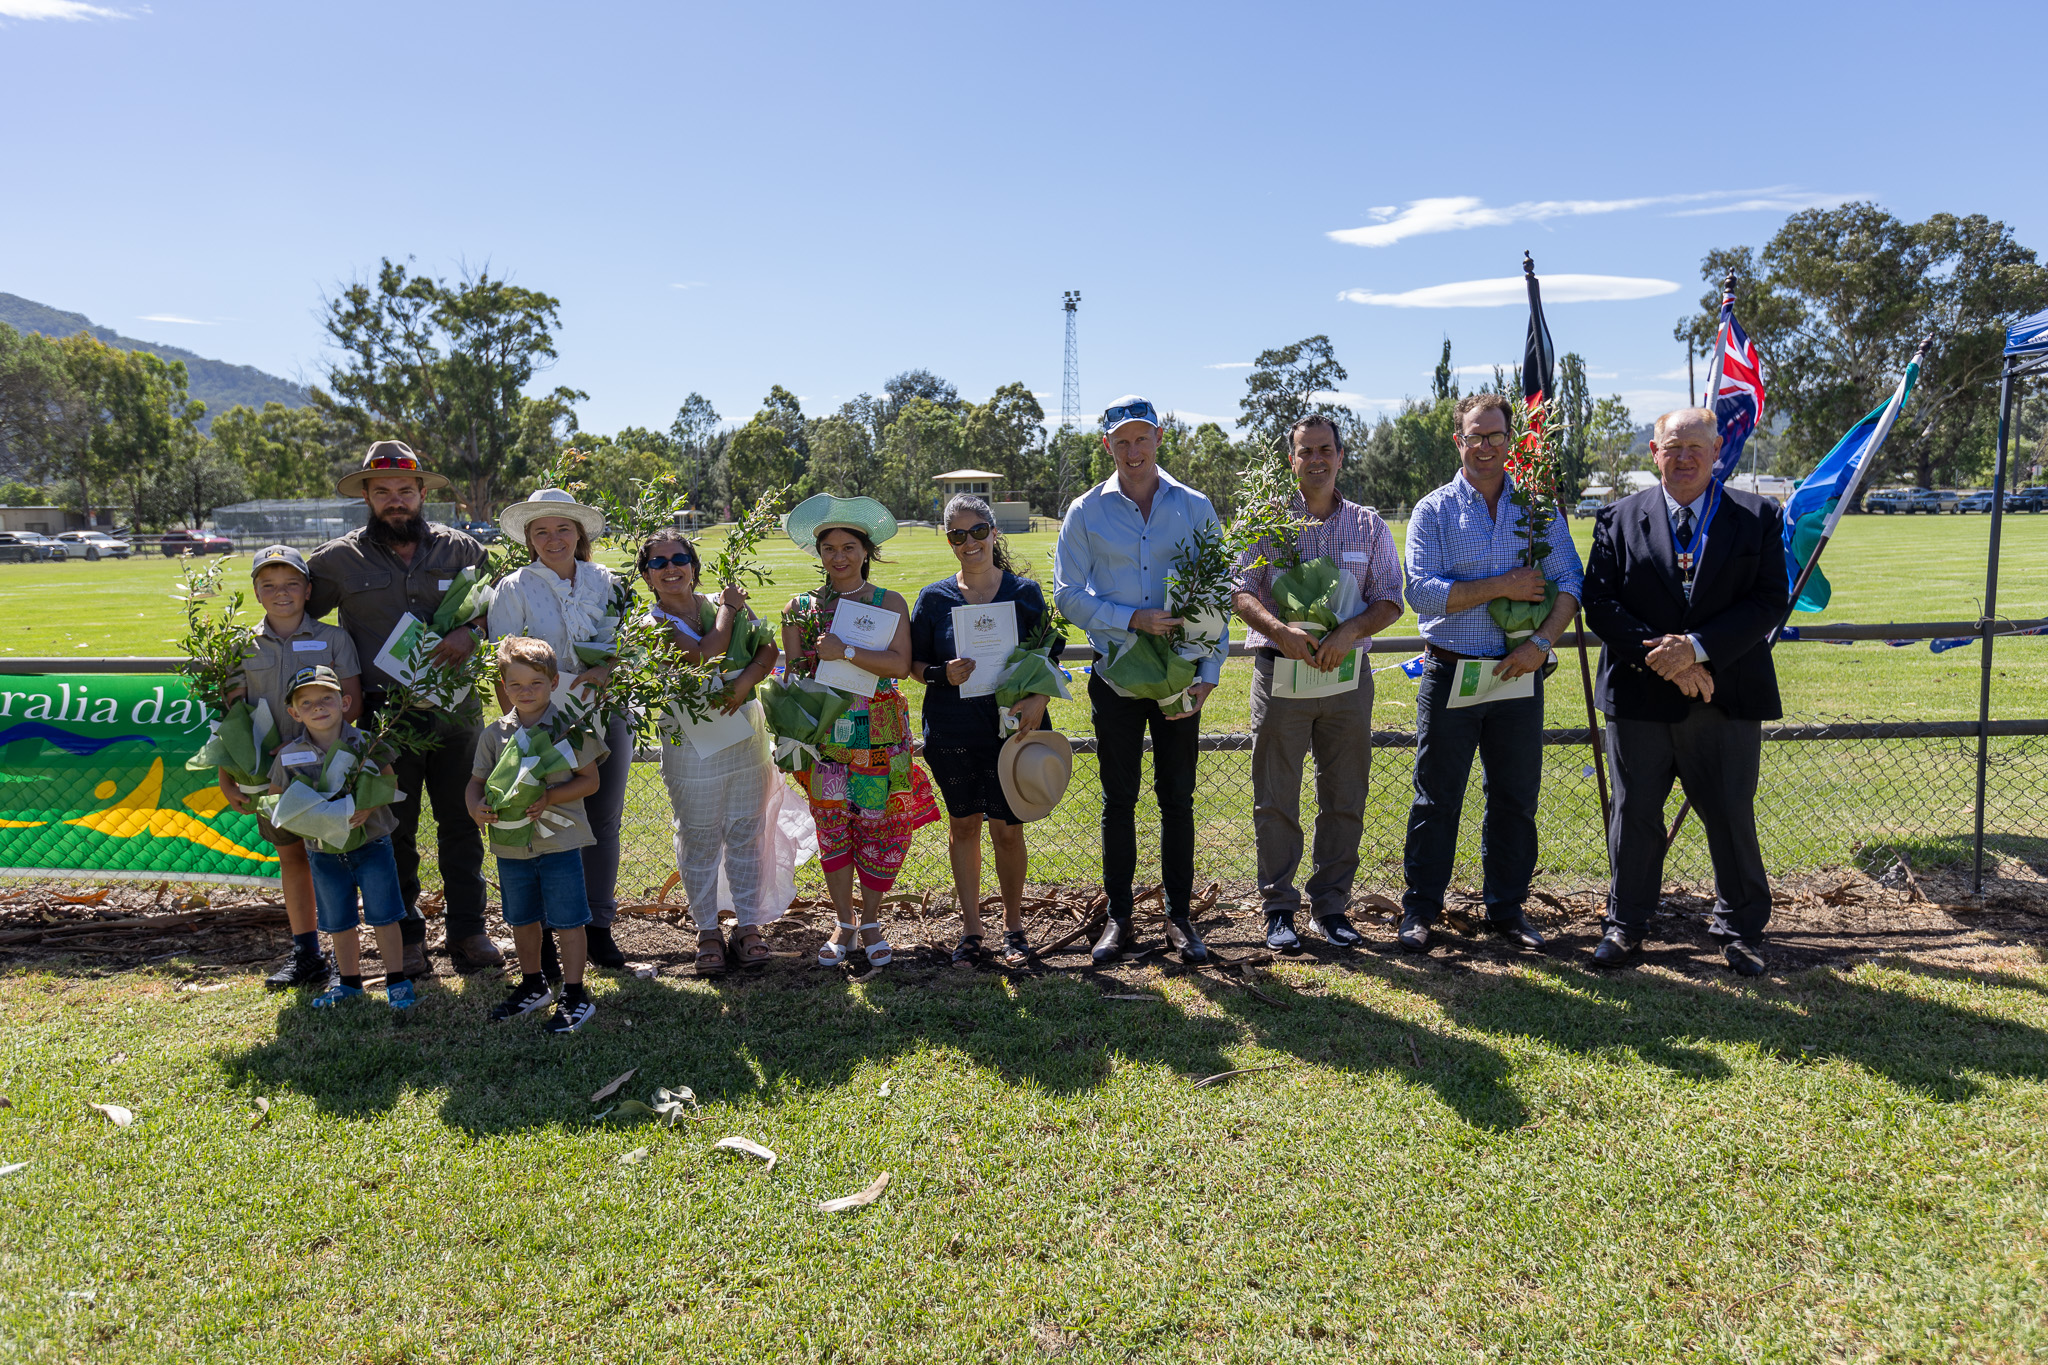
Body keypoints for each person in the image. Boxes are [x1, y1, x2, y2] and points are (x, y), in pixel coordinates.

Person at [1581, 407, 1789, 976]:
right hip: (1641, 698)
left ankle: (1742, 928)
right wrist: (1668, 659)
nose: (1685, 457)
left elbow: (1769, 600)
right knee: (1635, 813)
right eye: (1673, 447)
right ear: (1654, 453)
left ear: (1718, 449)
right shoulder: (1617, 519)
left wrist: (1697, 648)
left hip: (1723, 695)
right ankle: (1625, 925)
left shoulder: (1757, 517)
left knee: (1728, 812)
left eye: (1696, 446)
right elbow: (1599, 602)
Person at [1398, 393, 1584, 952]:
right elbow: (1421, 594)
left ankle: (1507, 909)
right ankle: (1421, 910)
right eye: (1475, 436)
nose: (1485, 446)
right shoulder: (1433, 510)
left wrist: (1542, 644)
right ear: (1459, 441)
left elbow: (1571, 580)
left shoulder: (1537, 510)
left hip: (1518, 675)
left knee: (1514, 797)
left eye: (1496, 436)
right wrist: (1502, 585)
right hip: (1451, 673)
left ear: (1511, 441)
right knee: (1437, 796)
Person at [307, 441, 501, 975]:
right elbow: (299, 617)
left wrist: (470, 631)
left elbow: (497, 611)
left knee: (463, 819)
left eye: (406, 491)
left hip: (456, 712)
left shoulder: (463, 550)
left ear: (422, 494)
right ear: (367, 496)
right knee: (393, 828)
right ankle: (407, 937)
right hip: (382, 718)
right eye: (384, 491)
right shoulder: (335, 561)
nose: (397, 501)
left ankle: (469, 932)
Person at [1052, 395, 1228, 966]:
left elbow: (1215, 592)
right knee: (1118, 800)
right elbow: (1067, 595)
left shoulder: (1195, 506)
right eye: (1121, 441)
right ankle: (1120, 918)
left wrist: (1208, 673)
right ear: (1107, 445)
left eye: (1142, 438)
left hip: (1180, 679)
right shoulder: (1085, 512)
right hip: (1119, 678)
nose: (1133, 450)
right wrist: (1130, 619)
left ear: (1159, 438)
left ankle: (1180, 919)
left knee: (1178, 798)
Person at [1231, 416, 1404, 951]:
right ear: (1292, 460)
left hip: (1346, 681)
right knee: (1275, 795)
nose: (1317, 460)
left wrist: (1348, 632)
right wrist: (1280, 630)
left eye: (1326, 449)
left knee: (1344, 793)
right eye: (1305, 452)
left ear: (1341, 455)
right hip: (1280, 675)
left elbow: (1391, 597)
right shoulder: (1269, 522)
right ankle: (1279, 907)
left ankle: (1331, 905)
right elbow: (1238, 590)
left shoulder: (1368, 525)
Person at [779, 494, 940, 968]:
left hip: (880, 734)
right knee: (834, 827)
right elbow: (793, 674)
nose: (840, 556)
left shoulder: (887, 601)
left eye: (849, 547)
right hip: (828, 739)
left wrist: (844, 650)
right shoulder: (799, 607)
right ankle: (844, 921)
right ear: (819, 554)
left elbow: (900, 663)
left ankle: (870, 920)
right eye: (830, 548)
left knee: (881, 823)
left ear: (865, 551)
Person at [910, 493, 1062, 969]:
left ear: (995, 534)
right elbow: (913, 663)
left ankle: (1014, 928)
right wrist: (941, 674)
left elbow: (1048, 654)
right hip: (952, 728)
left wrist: (1038, 698)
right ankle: (972, 929)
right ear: (949, 540)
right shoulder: (934, 599)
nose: (969, 542)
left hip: (1011, 730)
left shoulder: (1025, 593)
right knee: (963, 825)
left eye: (978, 531)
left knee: (1008, 830)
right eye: (958, 534)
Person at [487, 488, 634, 971]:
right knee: (544, 819)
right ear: (529, 538)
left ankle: (597, 929)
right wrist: (523, 729)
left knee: (602, 821)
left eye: (563, 528)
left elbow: (631, 645)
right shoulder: (515, 587)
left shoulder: (608, 582)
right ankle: (549, 933)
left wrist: (608, 671)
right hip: (542, 724)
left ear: (580, 533)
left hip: (604, 714)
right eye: (541, 530)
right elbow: (502, 662)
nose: (553, 538)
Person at [637, 527, 786, 975]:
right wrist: (728, 607)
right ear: (645, 576)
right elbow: (704, 655)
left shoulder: (725, 606)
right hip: (691, 744)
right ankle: (706, 930)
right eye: (657, 563)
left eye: (678, 558)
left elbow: (768, 647)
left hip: (745, 736)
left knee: (746, 829)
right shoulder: (651, 624)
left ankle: (748, 925)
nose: (670, 569)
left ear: (694, 567)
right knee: (699, 836)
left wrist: (743, 684)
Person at [216, 545, 364, 992]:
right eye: (269, 586)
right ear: (257, 593)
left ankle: (345, 956)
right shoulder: (239, 645)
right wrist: (228, 775)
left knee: (336, 858)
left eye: (291, 584)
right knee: (292, 857)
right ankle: (307, 954)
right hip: (270, 776)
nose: (282, 594)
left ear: (308, 589)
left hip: (325, 770)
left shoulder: (335, 639)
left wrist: (315, 746)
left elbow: (351, 704)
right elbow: (231, 718)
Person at [466, 636, 608, 1034]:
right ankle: (533, 985)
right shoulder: (495, 735)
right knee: (522, 918)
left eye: (536, 684)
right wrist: (475, 807)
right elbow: (475, 783)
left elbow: (590, 781)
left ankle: (576, 994)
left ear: (554, 682)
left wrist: (549, 797)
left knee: (568, 919)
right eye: (515, 685)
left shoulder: (570, 728)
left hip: (558, 842)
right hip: (512, 845)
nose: (525, 692)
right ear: (502, 685)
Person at [263, 666, 413, 1011]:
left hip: (371, 844)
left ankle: (397, 980)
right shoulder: (290, 756)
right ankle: (348, 983)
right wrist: (306, 820)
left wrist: (366, 805)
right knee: (338, 920)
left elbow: (390, 784)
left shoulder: (367, 743)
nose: (318, 707)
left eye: (326, 699)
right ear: (293, 712)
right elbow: (276, 800)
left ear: (345, 702)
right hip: (322, 851)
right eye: (307, 702)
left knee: (385, 914)